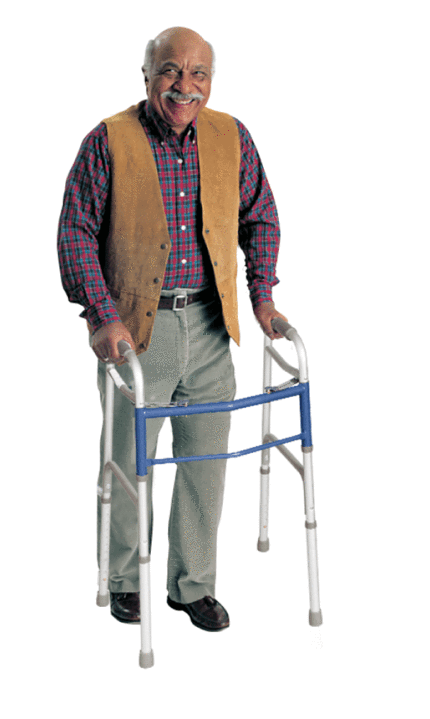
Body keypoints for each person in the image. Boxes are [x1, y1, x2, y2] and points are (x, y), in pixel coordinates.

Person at [57, 27, 286, 632]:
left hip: (212, 327)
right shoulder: (107, 141)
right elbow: (76, 231)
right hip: (138, 331)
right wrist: (102, 315)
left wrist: (261, 298)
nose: (184, 86)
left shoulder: (231, 136)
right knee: (131, 462)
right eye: (170, 71)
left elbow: (259, 216)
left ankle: (191, 586)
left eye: (198, 74)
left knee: (206, 462)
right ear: (147, 75)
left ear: (211, 82)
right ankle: (125, 580)